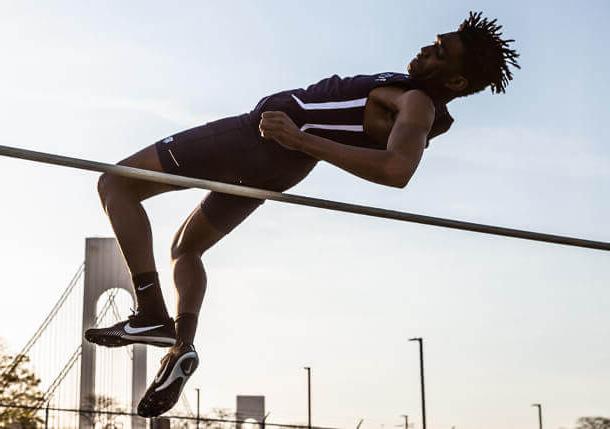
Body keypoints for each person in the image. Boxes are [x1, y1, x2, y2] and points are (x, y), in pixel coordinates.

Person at [84, 11, 520, 417]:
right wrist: (300, 145)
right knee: (187, 248)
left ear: (458, 81)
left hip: (256, 140)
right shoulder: (414, 100)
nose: (427, 49)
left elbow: (396, 170)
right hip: (280, 165)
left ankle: (151, 313)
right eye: (434, 42)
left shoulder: (418, 104)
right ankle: (181, 345)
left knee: (116, 183)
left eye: (440, 52)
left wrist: (299, 138)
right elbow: (383, 142)